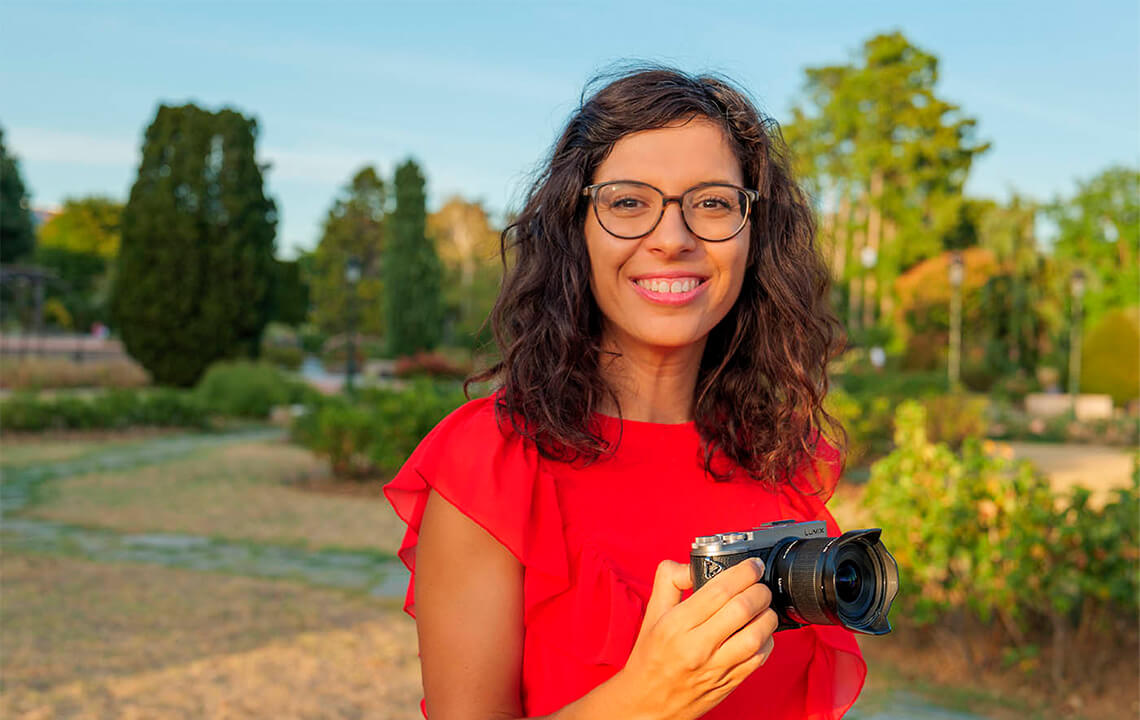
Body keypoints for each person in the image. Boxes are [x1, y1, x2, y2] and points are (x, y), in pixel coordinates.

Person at [383, 66, 865, 720]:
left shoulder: (781, 462)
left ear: (756, 238)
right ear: (575, 227)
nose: (673, 238)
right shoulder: (492, 467)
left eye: (715, 203)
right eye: (629, 202)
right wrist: (647, 700)